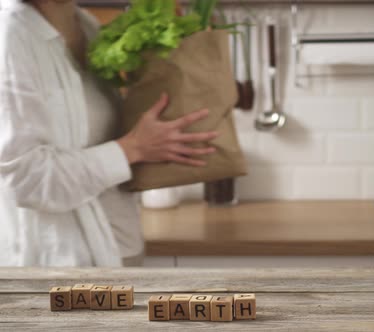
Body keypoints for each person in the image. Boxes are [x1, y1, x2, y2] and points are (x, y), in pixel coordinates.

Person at [0, 0, 218, 267]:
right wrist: (133, 148)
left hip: (119, 252)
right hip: (64, 267)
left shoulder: (88, 26)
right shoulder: (9, 35)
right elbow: (27, 180)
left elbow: (104, 140)